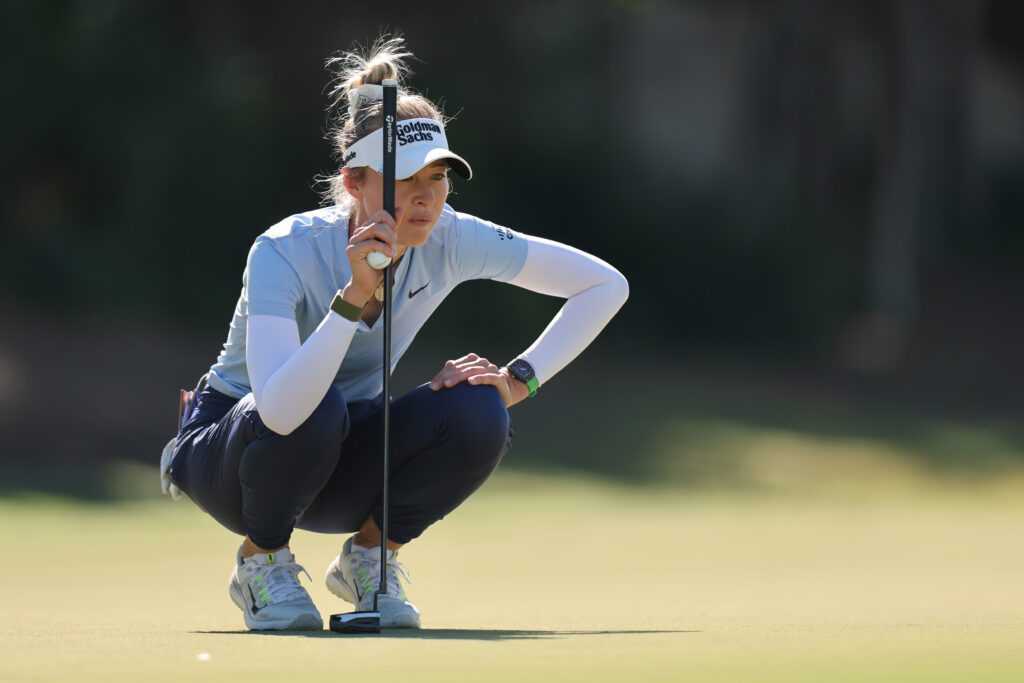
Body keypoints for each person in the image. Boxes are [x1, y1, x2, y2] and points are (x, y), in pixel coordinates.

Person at [159, 37, 629, 631]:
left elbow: (604, 286)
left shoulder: (451, 234)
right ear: (353, 183)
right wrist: (353, 296)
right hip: (233, 453)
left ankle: (369, 559)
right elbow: (280, 410)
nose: (427, 197)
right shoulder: (284, 250)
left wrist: (516, 382)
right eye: (407, 179)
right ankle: (261, 563)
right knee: (316, 406)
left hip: (336, 449)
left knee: (479, 411)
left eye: (439, 176)